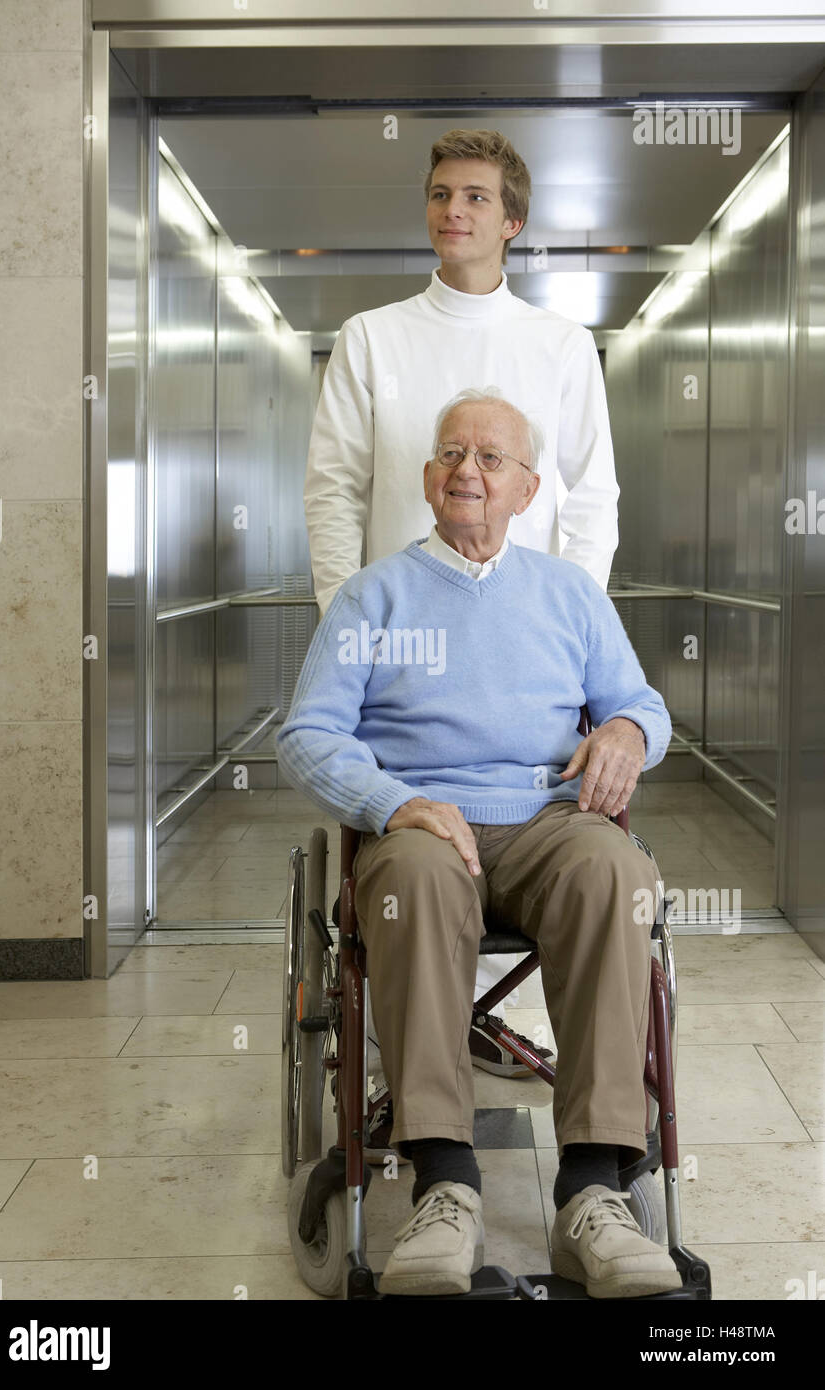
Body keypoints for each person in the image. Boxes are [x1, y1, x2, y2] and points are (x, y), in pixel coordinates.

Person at [277, 390, 681, 1299]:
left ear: (527, 489)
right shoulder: (372, 595)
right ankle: (445, 1184)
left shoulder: (569, 593)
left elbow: (643, 705)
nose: (469, 472)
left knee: (618, 872)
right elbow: (307, 736)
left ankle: (593, 1189)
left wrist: (624, 734)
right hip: (423, 823)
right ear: (427, 479)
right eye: (453, 454)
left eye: (492, 459)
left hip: (546, 822)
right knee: (413, 883)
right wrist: (392, 800)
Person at [303, 128, 620, 1090]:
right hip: (397, 650)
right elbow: (334, 493)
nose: (455, 211)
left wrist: (567, 646)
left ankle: (512, 1064)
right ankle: (426, 1072)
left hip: (525, 648)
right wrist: (346, 631)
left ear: (512, 221)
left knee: (576, 855)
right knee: (416, 861)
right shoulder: (372, 338)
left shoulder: (559, 345)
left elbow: (593, 497)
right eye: (442, 194)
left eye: (478, 197)